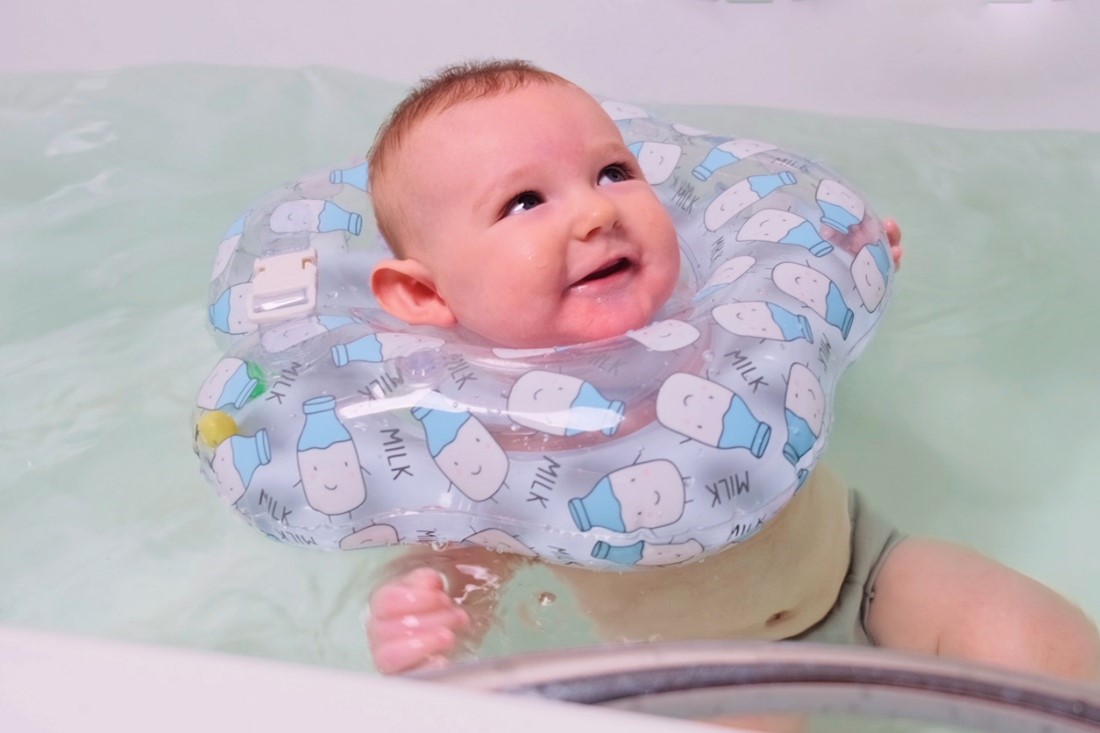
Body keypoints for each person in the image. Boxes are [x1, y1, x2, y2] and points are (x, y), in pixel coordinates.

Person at [363, 59, 1100, 683]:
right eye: (525, 200)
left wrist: (842, 263)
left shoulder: (706, 307)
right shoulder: (488, 430)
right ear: (426, 293)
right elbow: (457, 552)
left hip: (863, 567)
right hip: (705, 663)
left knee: (1032, 645)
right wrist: (422, 605)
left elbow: (794, 322)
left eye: (613, 171)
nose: (595, 212)